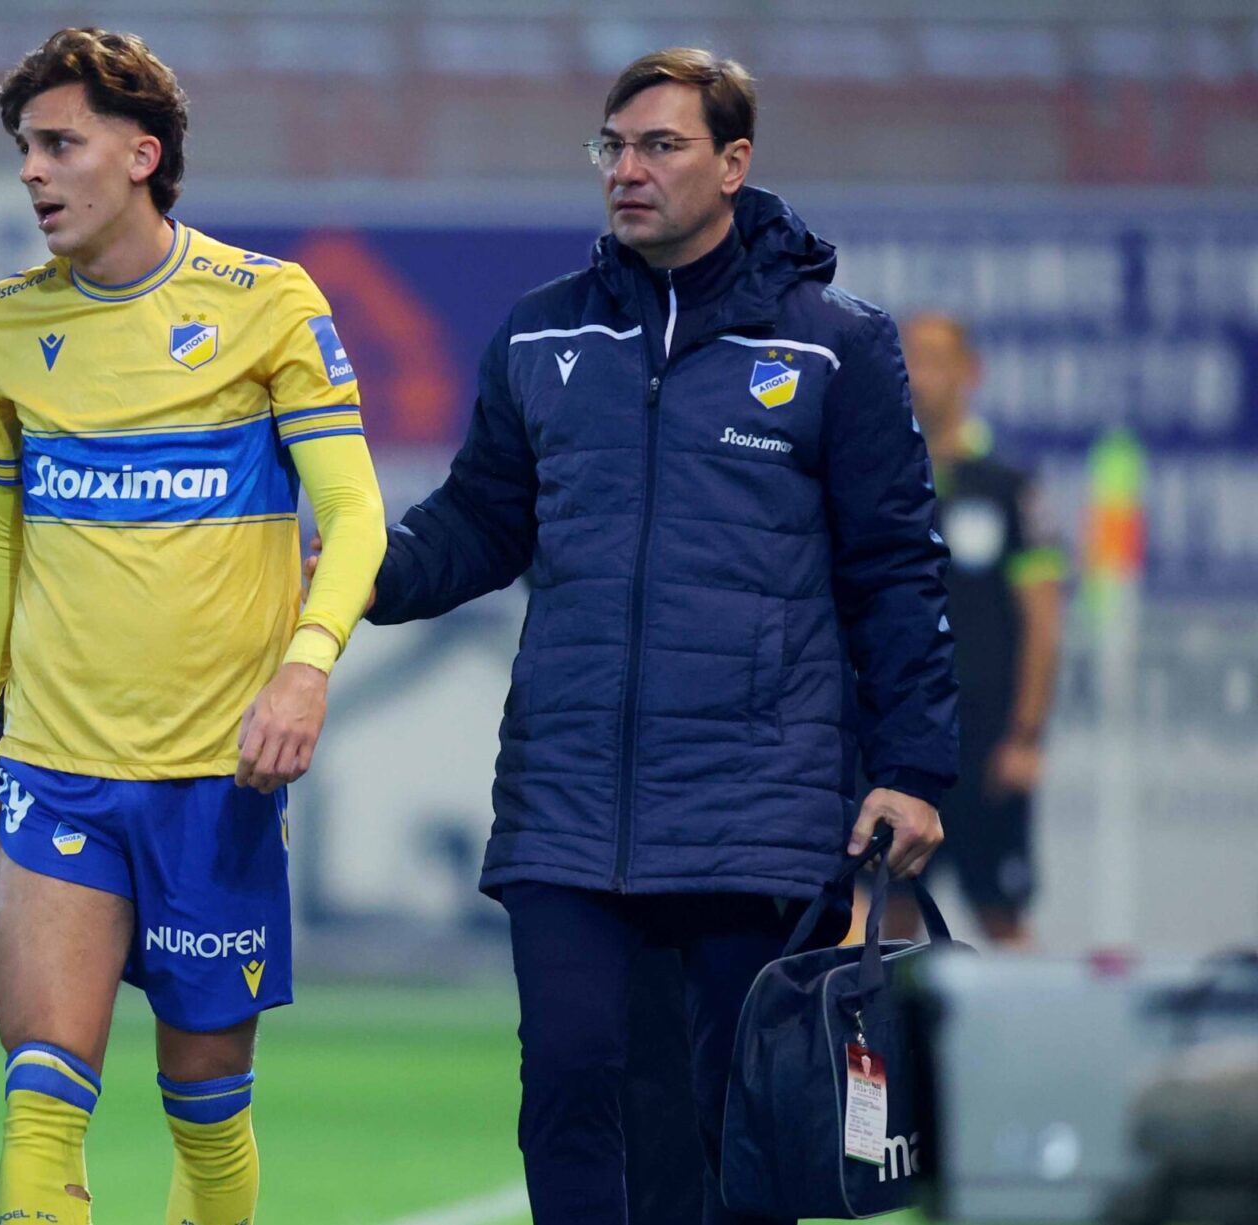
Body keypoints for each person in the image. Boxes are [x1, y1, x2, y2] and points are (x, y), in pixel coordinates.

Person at [355, 48, 956, 1225]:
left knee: (736, 1115)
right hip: (568, 801)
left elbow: (893, 568)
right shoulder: (540, 336)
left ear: (732, 163)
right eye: (611, 147)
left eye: (659, 146)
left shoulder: (834, 345)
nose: (625, 170)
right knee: (568, 1083)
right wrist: (356, 574)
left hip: (755, 804)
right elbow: (479, 520)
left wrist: (911, 767)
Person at [0, 28, 387, 1225]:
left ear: (141, 155)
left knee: (205, 1108)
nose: (31, 171)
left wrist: (304, 671)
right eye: (24, 147)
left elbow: (354, 516)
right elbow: (1, 533)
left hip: (215, 777)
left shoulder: (268, 303)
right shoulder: (4, 324)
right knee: (41, 1091)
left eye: (59, 144)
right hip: (57, 768)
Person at [896, 311, 1065, 947]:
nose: (921, 376)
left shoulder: (1008, 488)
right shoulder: (884, 478)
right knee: (884, 917)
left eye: (936, 360)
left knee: (1001, 916)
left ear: (970, 372)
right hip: (897, 739)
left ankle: (1029, 1021)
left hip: (985, 744)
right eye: (911, 359)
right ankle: (887, 1022)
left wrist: (1026, 735)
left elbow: (1043, 620)